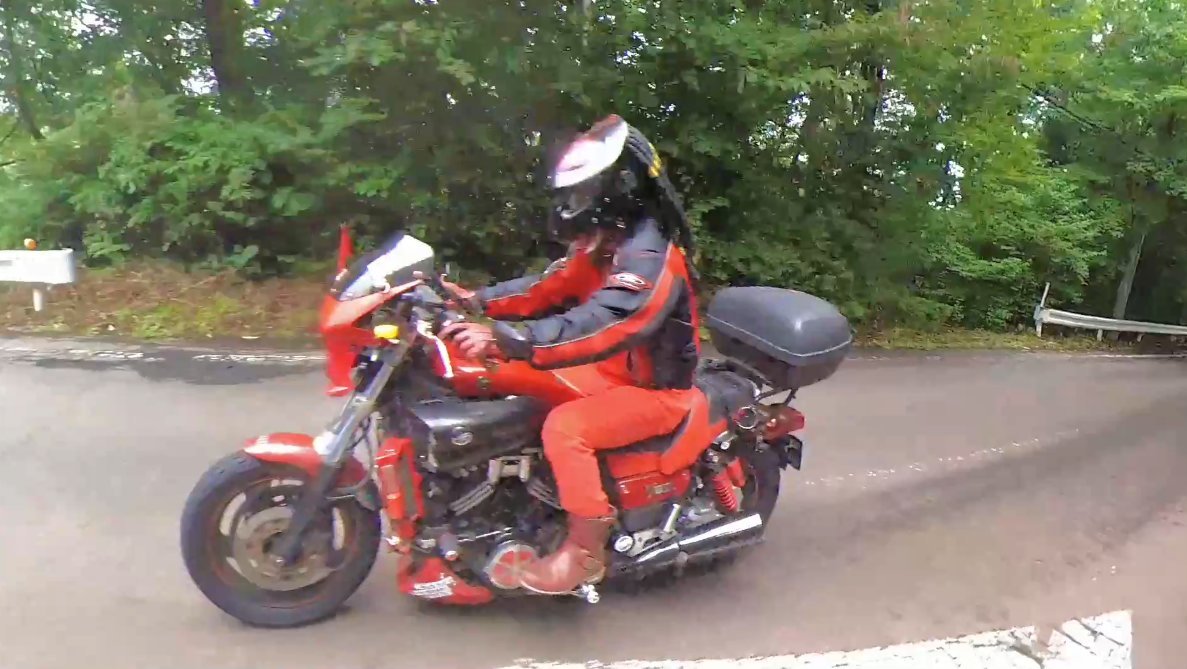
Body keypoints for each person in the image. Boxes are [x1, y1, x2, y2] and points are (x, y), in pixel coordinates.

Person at [438, 114, 702, 595]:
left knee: (566, 428)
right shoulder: (607, 245)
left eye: (581, 193)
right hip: (606, 372)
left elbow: (608, 321)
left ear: (615, 190)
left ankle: (584, 555)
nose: (571, 206)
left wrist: (511, 339)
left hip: (655, 392)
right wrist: (476, 301)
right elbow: (545, 287)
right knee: (491, 376)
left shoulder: (650, 259)